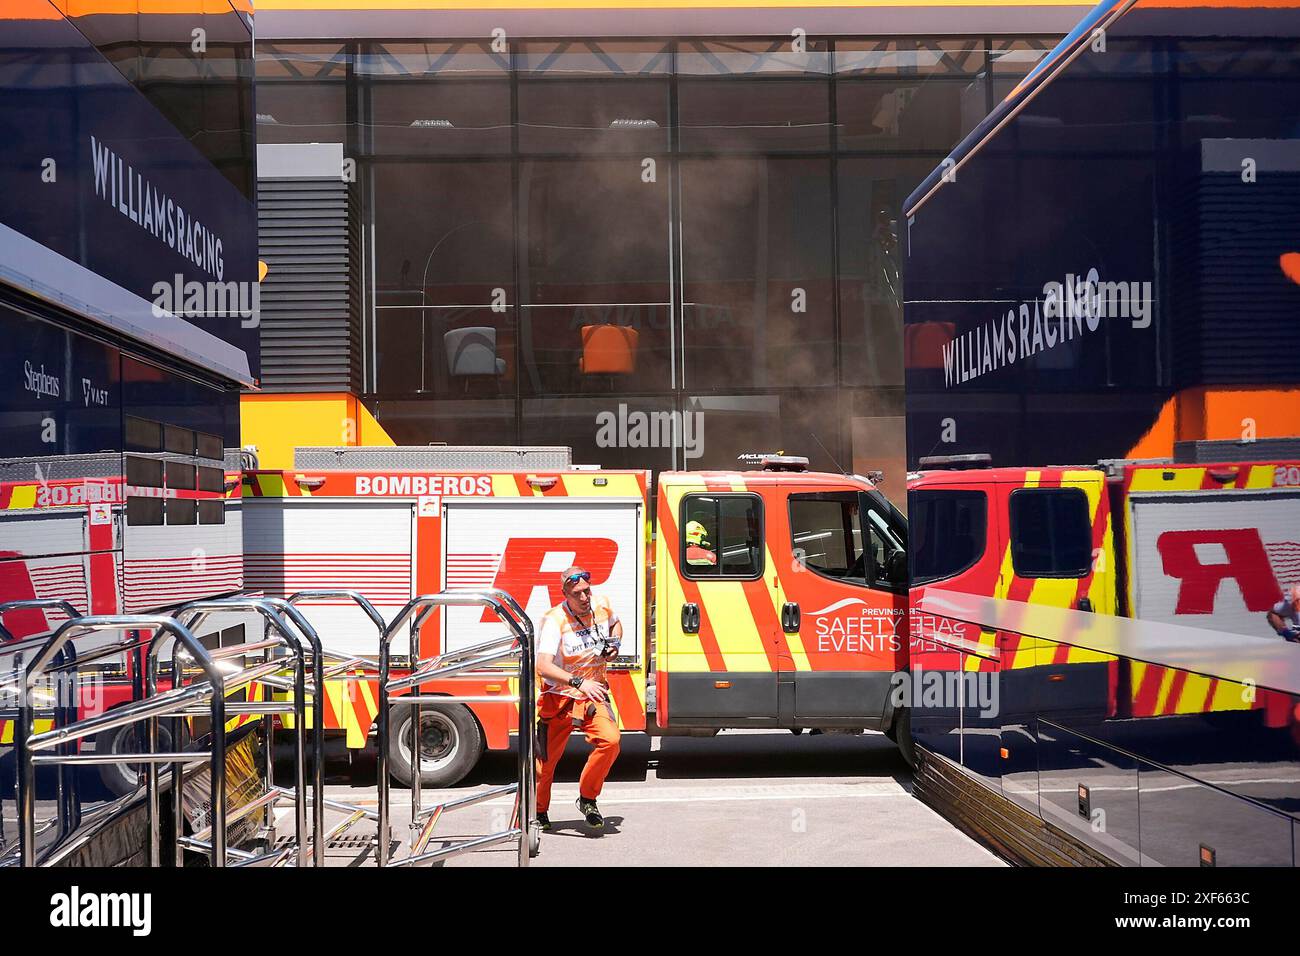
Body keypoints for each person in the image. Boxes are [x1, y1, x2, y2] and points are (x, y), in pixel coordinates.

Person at [534, 566, 622, 830]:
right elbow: (543, 666)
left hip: (593, 695)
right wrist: (578, 682)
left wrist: (614, 645)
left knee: (611, 741)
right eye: (577, 594)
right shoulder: (554, 620)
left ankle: (587, 798)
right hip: (559, 697)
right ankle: (538, 812)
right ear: (565, 594)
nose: (584, 598)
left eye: (586, 591)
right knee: (544, 765)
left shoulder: (601, 605)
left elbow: (616, 625)